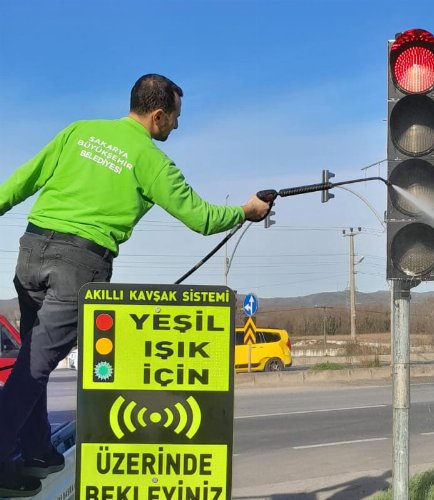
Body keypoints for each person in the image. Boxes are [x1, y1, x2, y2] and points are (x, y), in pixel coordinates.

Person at [0, 73, 271, 496]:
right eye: (176, 118)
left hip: (32, 251)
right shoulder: (151, 160)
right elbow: (201, 218)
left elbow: (22, 181)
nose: (177, 127)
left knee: (34, 360)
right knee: (34, 367)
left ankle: (36, 449)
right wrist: (246, 210)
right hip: (80, 263)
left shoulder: (80, 131)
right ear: (159, 114)